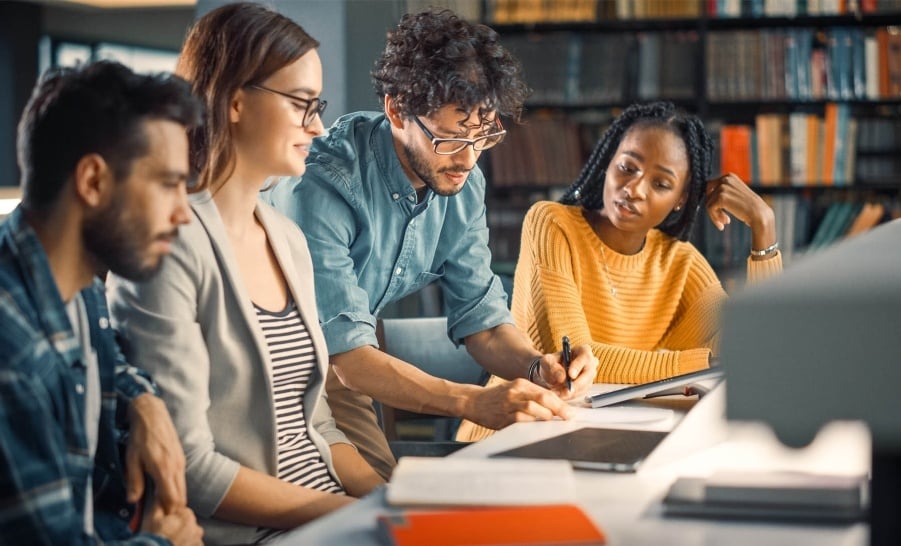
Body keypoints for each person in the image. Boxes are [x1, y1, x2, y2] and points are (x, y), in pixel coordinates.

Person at [267, 8, 597, 480]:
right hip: (285, 367)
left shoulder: (463, 183)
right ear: (397, 109)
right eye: (449, 139)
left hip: (346, 359)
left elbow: (482, 324)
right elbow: (349, 361)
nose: (468, 159)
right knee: (375, 501)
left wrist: (535, 367)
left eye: (483, 136)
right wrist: (473, 402)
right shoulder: (324, 184)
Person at [107, 4, 384, 544]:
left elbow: (319, 425)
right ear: (235, 101)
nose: (318, 126)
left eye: (318, 106)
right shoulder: (168, 246)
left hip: (330, 515)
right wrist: (347, 513)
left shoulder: (289, 239)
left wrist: (388, 495)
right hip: (257, 532)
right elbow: (190, 465)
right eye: (302, 104)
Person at [457, 101, 784, 441]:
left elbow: (763, 355)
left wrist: (764, 227)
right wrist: (706, 363)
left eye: (661, 184)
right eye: (628, 167)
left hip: (608, 437)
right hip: (515, 434)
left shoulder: (681, 264)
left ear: (680, 200)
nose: (634, 189)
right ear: (609, 159)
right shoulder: (552, 225)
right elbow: (575, 367)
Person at [0, 61, 204, 545]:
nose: (183, 214)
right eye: (167, 184)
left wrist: (143, 399)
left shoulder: (78, 279)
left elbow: (106, 356)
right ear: (92, 181)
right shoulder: (12, 357)